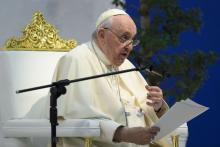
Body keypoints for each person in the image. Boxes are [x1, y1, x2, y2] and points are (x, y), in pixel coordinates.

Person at [47, 9, 171, 147]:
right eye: (124, 37)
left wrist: (158, 107)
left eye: (132, 40)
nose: (130, 47)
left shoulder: (126, 66)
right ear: (102, 35)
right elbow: (75, 118)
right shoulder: (76, 60)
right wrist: (124, 134)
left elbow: (142, 109)